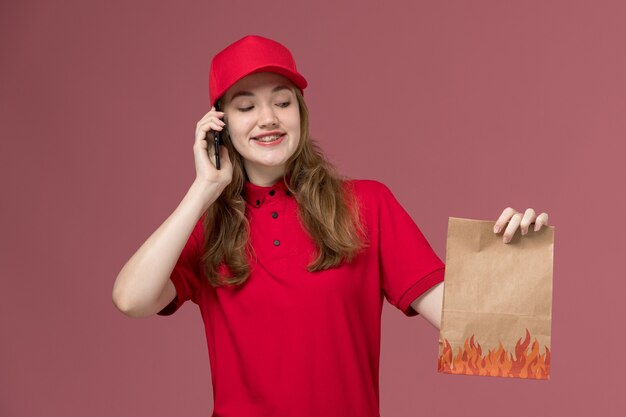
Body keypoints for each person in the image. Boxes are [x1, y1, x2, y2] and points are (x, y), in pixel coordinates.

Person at [112, 35, 549, 417]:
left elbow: (483, 335)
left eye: (282, 102)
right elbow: (131, 300)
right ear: (220, 126)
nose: (268, 118)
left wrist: (510, 263)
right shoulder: (208, 226)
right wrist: (203, 189)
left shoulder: (366, 204)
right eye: (246, 107)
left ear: (300, 112)